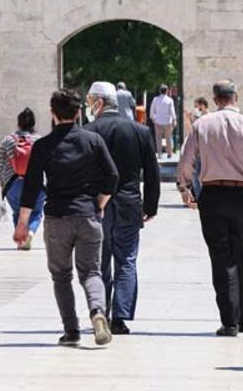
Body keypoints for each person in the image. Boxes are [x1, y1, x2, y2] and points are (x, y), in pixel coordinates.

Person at [177, 79, 243, 337]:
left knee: (221, 259)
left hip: (212, 196)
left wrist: (184, 189)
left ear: (215, 100)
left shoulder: (201, 125)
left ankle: (229, 322)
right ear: (237, 97)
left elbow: (186, 162)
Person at [13, 89, 118, 347]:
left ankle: (71, 331)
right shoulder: (92, 140)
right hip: (88, 215)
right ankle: (98, 313)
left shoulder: (43, 145)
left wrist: (23, 223)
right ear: (78, 112)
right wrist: (100, 203)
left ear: (52, 114)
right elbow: (112, 176)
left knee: (61, 276)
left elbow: (32, 186)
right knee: (92, 272)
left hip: (57, 217)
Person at [84, 81, 160, 334]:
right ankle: (120, 316)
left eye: (90, 101)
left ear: (100, 102)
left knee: (101, 261)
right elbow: (151, 171)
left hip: (98, 205)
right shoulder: (140, 131)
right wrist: (151, 204)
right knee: (126, 260)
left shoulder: (90, 130)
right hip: (129, 204)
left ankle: (101, 312)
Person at [0, 107, 45, 250]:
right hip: (36, 183)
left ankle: (20, 241)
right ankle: (29, 233)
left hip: (13, 182)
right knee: (36, 212)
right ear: (34, 123)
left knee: (18, 212)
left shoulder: (8, 140)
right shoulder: (40, 140)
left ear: (19, 123)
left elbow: (0, 163)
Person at [150, 84, 177, 158]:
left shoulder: (155, 99)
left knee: (158, 138)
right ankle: (169, 153)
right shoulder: (170, 100)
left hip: (158, 121)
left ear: (159, 91)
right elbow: (172, 110)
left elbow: (152, 109)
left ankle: (159, 153)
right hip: (167, 121)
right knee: (168, 137)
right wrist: (174, 119)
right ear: (167, 91)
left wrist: (152, 118)